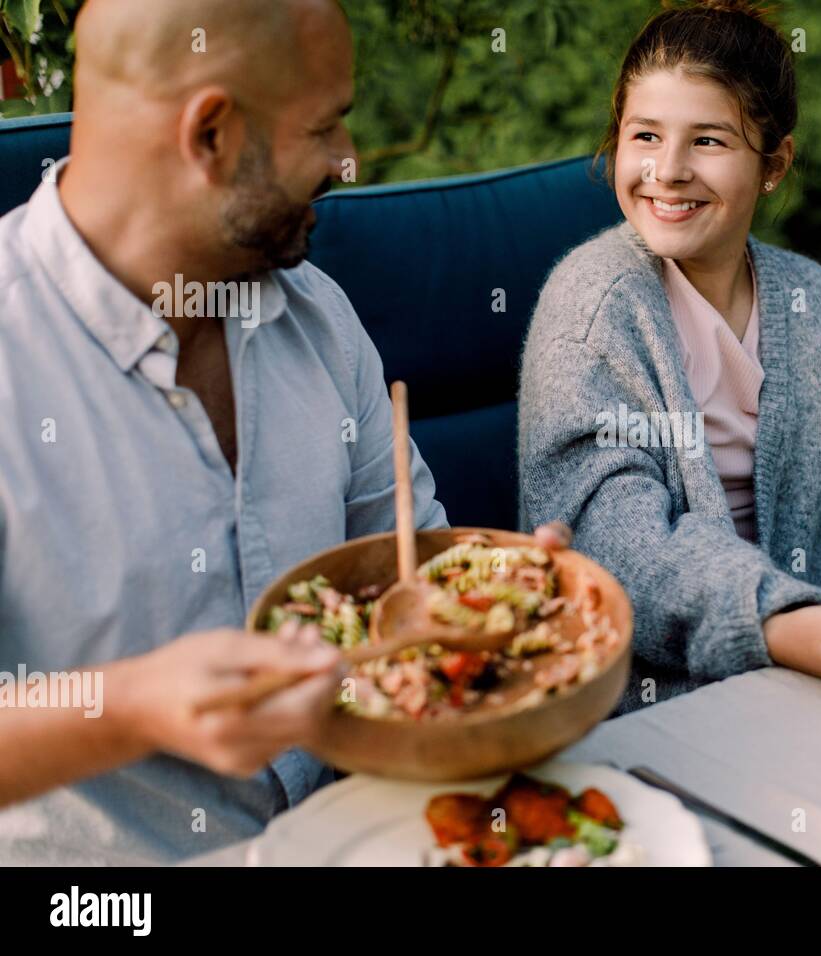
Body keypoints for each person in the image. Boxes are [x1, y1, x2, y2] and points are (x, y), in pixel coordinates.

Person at [0, 0, 564, 865]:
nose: (350, 159)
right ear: (212, 133)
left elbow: (405, 573)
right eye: (327, 126)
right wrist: (131, 706)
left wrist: (505, 593)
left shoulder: (316, 317)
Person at [518, 0, 821, 714]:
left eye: (709, 142)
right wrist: (775, 623)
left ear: (773, 164)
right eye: (645, 136)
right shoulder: (591, 305)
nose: (667, 171)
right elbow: (615, 539)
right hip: (650, 705)